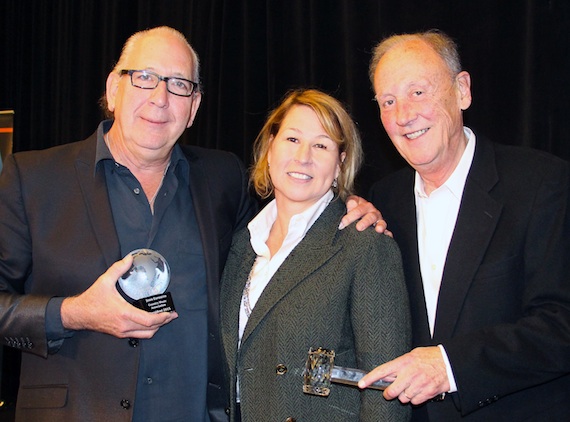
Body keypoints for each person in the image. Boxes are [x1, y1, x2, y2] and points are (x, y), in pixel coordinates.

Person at [0, 27, 384, 422]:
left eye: (179, 84)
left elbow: (284, 240)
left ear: (195, 105)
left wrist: (345, 204)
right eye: (144, 77)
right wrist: (73, 313)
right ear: (114, 89)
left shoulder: (222, 178)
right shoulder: (32, 178)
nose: (160, 98)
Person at [358, 30, 570, 421]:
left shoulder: (541, 183)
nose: (403, 115)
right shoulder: (383, 201)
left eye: (418, 92)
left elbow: (561, 324)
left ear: (462, 90)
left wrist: (450, 365)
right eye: (388, 101)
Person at [220, 89, 411, 422]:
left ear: (340, 163)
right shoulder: (240, 246)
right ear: (269, 148)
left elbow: (387, 388)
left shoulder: (365, 246)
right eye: (292, 139)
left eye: (321, 145)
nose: (303, 156)